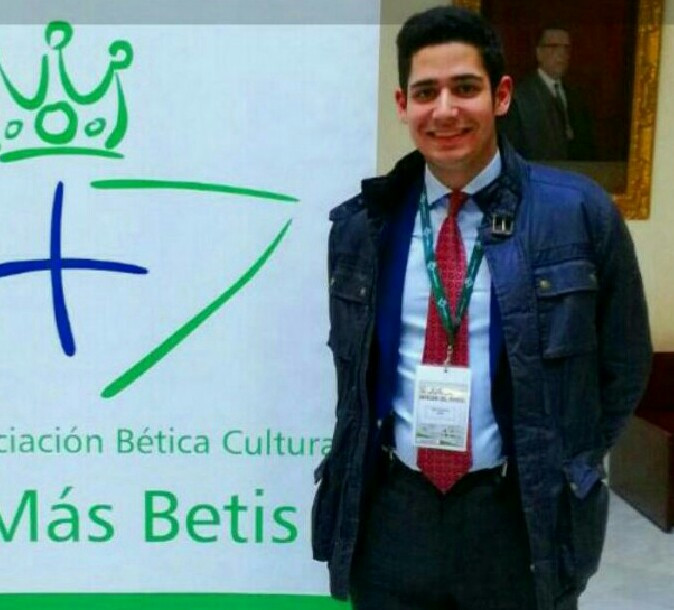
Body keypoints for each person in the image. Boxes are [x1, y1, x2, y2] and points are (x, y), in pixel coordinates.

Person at [311, 6, 651, 610]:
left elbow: (624, 365)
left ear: (501, 95)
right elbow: (354, 378)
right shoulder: (363, 226)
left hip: (518, 516)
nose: (445, 110)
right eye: (426, 92)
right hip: (392, 515)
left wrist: (564, 458)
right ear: (403, 105)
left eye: (465, 87)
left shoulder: (579, 214)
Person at [501, 26, 595, 161]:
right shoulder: (520, 98)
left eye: (566, 48)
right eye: (554, 47)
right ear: (539, 53)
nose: (561, 54)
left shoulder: (576, 96)